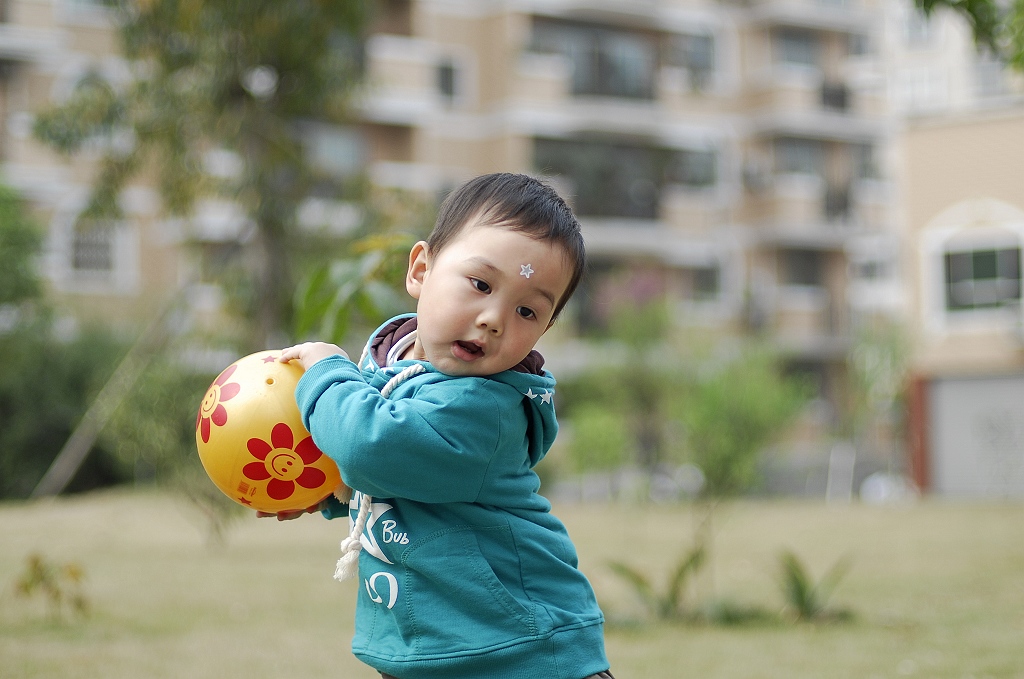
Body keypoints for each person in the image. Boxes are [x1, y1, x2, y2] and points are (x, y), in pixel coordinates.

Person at [278, 173, 613, 679]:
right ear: (420, 269)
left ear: (544, 330)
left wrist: (326, 372)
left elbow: (373, 448)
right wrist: (324, 491)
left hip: (525, 654)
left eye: (527, 310)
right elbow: (398, 477)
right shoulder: (392, 367)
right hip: (438, 648)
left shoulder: (484, 408)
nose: (494, 319)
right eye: (480, 284)